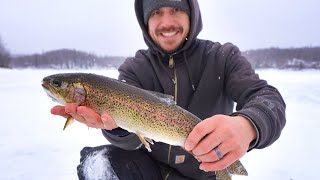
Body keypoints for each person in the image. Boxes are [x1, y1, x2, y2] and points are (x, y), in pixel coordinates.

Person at [51, 0, 286, 179]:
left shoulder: (223, 57)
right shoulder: (135, 68)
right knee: (98, 162)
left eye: (176, 9)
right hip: (152, 169)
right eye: (156, 12)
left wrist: (247, 125)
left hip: (204, 171)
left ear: (192, 13)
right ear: (145, 21)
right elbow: (131, 141)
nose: (166, 22)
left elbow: (267, 97)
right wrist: (118, 129)